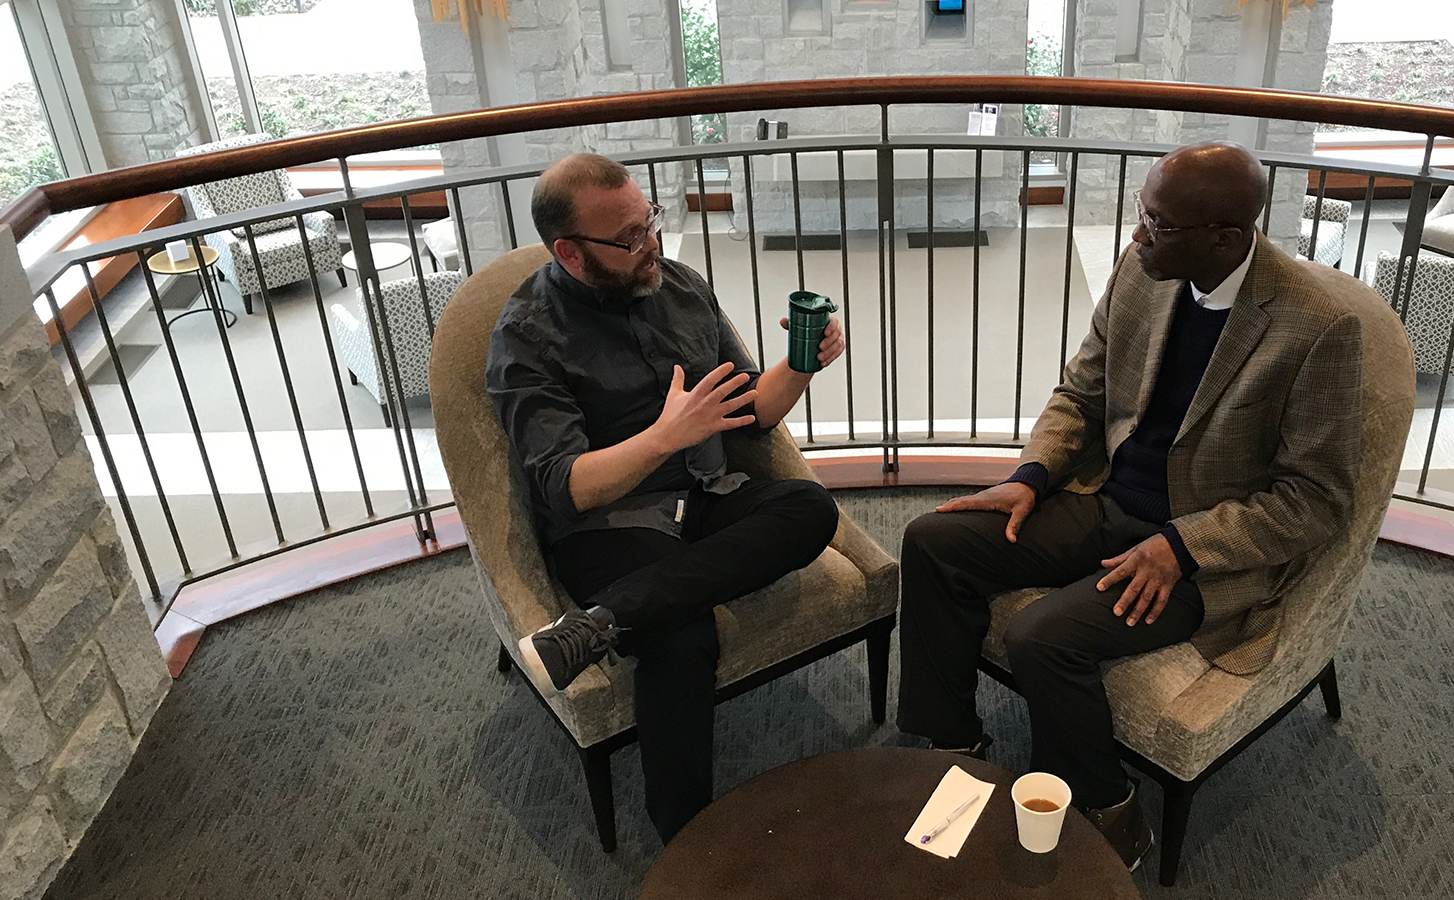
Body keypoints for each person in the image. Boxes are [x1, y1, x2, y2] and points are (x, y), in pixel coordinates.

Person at [896, 142, 1368, 870]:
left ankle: (1111, 812)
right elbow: (1081, 392)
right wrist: (1032, 474)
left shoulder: (1317, 328)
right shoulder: (1142, 272)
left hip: (1198, 559)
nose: (1137, 236)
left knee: (1042, 636)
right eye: (1143, 216)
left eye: (1158, 224)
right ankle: (956, 745)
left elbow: (1317, 499)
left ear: (1225, 237)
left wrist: (1182, 548)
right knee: (935, 541)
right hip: (1105, 499)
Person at [486, 153, 846, 843]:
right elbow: (565, 485)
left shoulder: (678, 286)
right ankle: (688, 846)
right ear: (570, 252)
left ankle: (604, 623)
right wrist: (661, 439)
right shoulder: (527, 335)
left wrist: (802, 363)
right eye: (627, 237)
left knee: (810, 509)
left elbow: (750, 410)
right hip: (608, 525)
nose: (649, 242)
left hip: (705, 494)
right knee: (681, 637)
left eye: (648, 220)